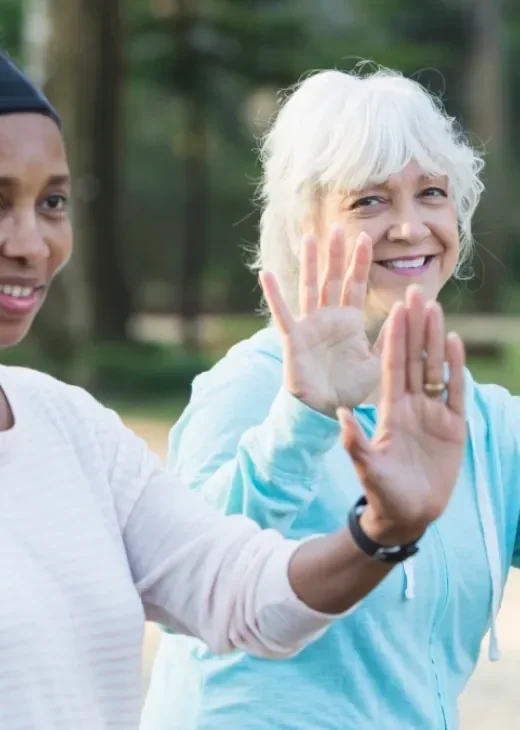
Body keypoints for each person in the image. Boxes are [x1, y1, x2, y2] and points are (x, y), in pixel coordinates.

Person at [0, 55, 468, 730]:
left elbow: (241, 596)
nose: (32, 243)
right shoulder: (233, 387)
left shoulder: (70, 426)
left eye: (52, 203)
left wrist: (385, 530)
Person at [141, 66, 520, 730]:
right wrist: (302, 417)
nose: (409, 227)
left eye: (431, 193)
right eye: (369, 201)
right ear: (302, 226)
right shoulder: (249, 386)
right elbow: (187, 584)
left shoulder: (485, 421)